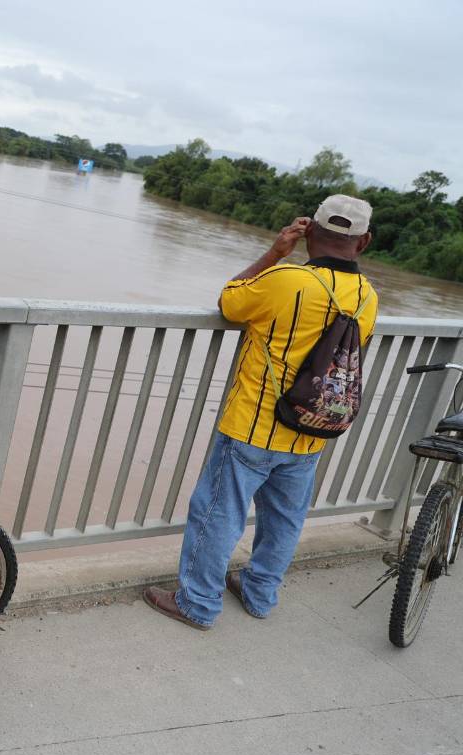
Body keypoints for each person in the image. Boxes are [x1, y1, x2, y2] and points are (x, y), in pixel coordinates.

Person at [144, 194, 379, 630]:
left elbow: (230, 302)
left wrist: (274, 253)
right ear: (362, 242)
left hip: (253, 425)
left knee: (217, 513)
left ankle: (196, 603)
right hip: (313, 426)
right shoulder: (368, 297)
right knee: (285, 519)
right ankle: (259, 593)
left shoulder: (287, 279)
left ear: (309, 231)